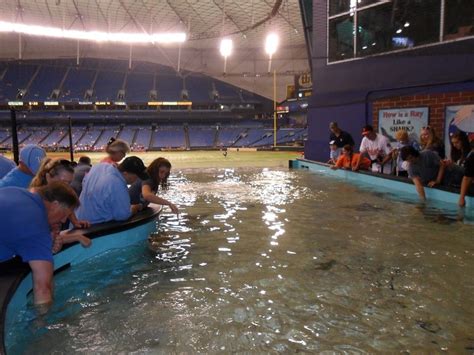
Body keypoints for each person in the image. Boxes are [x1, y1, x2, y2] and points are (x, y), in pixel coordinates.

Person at [0, 182, 84, 306]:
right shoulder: (35, 223)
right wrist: (46, 321)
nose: (63, 220)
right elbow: (43, 288)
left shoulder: (16, 191)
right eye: (65, 214)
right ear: (55, 204)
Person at [75, 156, 149, 224]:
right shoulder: (118, 184)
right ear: (125, 173)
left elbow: (84, 184)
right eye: (136, 176)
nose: (137, 180)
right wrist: (134, 208)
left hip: (77, 218)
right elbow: (123, 215)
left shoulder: (100, 166)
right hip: (92, 226)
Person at [30, 158, 90, 229]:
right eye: (63, 182)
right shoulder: (34, 199)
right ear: (48, 177)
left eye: (69, 183)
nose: (67, 186)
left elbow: (67, 206)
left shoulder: (60, 193)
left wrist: (75, 221)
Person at [458, 141, 474, 207]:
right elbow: (467, 178)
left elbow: (467, 178)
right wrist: (462, 198)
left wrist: (462, 198)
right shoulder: (472, 157)